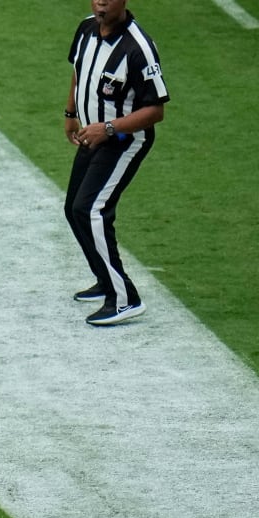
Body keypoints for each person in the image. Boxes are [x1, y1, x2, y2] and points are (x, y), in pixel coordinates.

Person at [63, 0, 168, 326]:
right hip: (93, 135)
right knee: (73, 208)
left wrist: (108, 128)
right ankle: (105, 280)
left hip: (122, 140)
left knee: (90, 209)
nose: (102, 1)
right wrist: (70, 113)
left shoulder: (138, 48)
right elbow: (79, 72)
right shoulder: (85, 30)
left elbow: (156, 111)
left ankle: (124, 299)